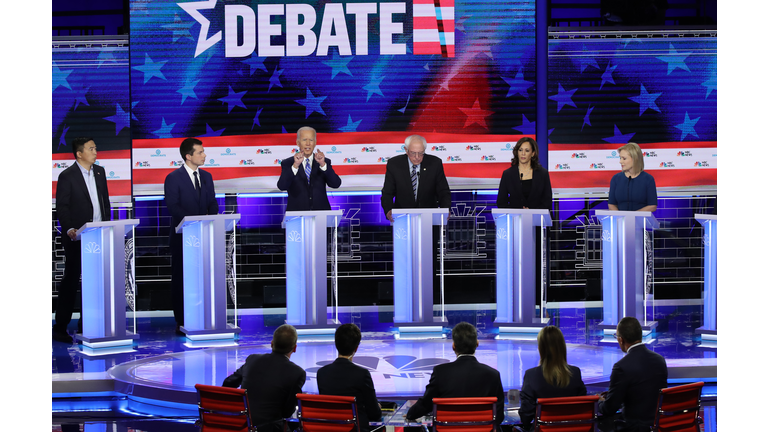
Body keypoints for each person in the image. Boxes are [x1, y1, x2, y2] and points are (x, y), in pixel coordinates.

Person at [54, 137, 111, 344]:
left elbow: (104, 203)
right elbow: (63, 206)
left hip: (98, 235)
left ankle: (86, 324)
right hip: (77, 237)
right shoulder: (67, 176)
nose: (96, 151)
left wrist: (107, 226)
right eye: (91, 148)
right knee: (71, 280)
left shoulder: (100, 172)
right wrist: (69, 228)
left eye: (95, 147)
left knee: (94, 282)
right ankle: (60, 327)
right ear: (79, 153)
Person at [164, 138, 220, 334]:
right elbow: (173, 206)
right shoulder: (173, 178)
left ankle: (203, 315)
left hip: (204, 237)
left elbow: (212, 202)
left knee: (203, 277)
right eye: (200, 152)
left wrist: (210, 219)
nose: (204, 155)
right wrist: (194, 223)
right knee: (181, 279)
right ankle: (181, 320)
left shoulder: (207, 176)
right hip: (182, 237)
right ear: (188, 156)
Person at [406, 322, 505, 428]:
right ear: (477, 344)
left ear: (453, 346)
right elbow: (498, 416)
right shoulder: (493, 375)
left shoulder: (441, 372)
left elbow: (426, 404)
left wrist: (410, 414)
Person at [223, 324, 306, 432]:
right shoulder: (297, 373)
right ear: (294, 348)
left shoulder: (252, 360)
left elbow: (228, 383)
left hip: (242, 426)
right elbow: (287, 413)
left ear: (272, 344)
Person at [599, 316, 668, 431]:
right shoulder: (660, 360)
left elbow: (609, 409)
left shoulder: (621, 367)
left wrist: (599, 402)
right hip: (657, 425)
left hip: (634, 427)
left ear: (621, 340)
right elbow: (643, 392)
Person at [518, 326, 587, 429]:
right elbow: (583, 408)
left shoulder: (531, 375)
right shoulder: (575, 373)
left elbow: (526, 417)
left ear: (540, 348)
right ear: (562, 347)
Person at [317, 324, 382, 432]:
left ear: (336, 344)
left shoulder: (321, 373)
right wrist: (378, 408)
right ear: (356, 348)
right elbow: (374, 414)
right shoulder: (362, 374)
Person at [381, 134, 451, 222]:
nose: (417, 157)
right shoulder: (394, 164)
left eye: (421, 153)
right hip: (402, 218)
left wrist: (445, 209)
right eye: (413, 153)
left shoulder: (435, 163)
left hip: (429, 218)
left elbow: (443, 191)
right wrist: (388, 210)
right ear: (406, 150)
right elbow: (387, 193)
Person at [277, 126, 342, 211]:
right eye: (304, 140)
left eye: (311, 140)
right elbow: (282, 186)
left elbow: (336, 184)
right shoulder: (288, 163)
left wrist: (323, 164)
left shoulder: (324, 162)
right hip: (297, 216)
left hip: (321, 215)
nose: (308, 143)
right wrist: (295, 165)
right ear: (298, 142)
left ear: (315, 143)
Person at [496, 137, 552, 210]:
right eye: (520, 150)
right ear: (517, 152)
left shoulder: (542, 173)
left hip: (537, 219)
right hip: (515, 219)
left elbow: (547, 202)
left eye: (527, 150)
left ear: (533, 154)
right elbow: (501, 202)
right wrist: (518, 212)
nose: (523, 154)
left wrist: (532, 212)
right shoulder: (508, 174)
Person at [608, 142, 657, 212]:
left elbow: (652, 206)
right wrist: (620, 218)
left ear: (635, 159)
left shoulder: (648, 179)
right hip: (620, 221)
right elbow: (612, 204)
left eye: (624, 159)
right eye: (620, 158)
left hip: (640, 221)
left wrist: (632, 217)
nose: (620, 161)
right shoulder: (616, 179)